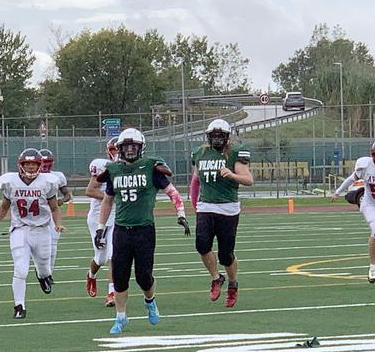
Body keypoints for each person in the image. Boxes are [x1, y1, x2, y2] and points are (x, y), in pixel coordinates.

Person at [95, 128, 190, 334]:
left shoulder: (151, 167)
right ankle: (120, 317)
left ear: (141, 148)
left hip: (144, 229)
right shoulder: (114, 170)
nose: (129, 150)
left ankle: (150, 301)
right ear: (119, 149)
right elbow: (107, 201)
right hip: (121, 230)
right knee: (119, 276)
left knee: (143, 276)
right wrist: (100, 227)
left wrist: (181, 213)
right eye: (125, 147)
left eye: (133, 146)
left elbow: (172, 192)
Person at [0, 148, 64, 319]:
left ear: (40, 165)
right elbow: (4, 206)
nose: (31, 167)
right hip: (20, 228)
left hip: (42, 230)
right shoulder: (10, 182)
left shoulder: (47, 182)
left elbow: (54, 207)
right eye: (28, 164)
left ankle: (42, 276)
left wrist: (58, 224)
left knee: (45, 268)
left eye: (34, 164)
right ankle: (19, 306)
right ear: (21, 165)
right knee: (20, 269)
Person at [189, 119, 253, 307]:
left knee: (226, 255)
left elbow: (249, 180)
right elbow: (195, 181)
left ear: (227, 137)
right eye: (214, 136)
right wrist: (195, 204)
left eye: (220, 136)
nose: (217, 139)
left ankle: (232, 284)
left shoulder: (234, 153)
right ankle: (216, 278)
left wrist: (232, 175)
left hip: (228, 208)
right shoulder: (200, 153)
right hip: (206, 206)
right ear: (209, 137)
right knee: (201, 245)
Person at [332, 139, 375, 282]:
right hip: (370, 203)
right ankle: (373, 268)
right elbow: (351, 179)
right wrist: (338, 191)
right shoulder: (366, 166)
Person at [84, 137, 119, 307]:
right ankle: (91, 275)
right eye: (116, 150)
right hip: (99, 218)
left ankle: (112, 293)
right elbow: (90, 191)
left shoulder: (132, 167)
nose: (119, 153)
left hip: (118, 217)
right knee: (101, 258)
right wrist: (111, 198)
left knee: (114, 255)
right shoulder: (103, 166)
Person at [38, 149, 72, 280]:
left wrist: (61, 201)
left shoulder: (57, 176)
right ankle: (41, 270)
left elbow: (68, 195)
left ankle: (48, 274)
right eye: (43, 162)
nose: (46, 165)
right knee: (39, 246)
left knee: (52, 246)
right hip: (36, 215)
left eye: (48, 162)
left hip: (52, 213)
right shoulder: (31, 176)